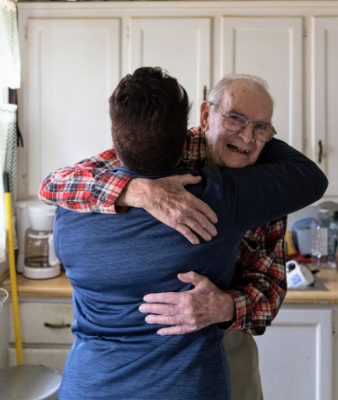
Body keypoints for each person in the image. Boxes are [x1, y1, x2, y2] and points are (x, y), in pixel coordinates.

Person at [45, 67, 327, 400]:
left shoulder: (269, 184)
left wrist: (225, 306)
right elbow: (57, 182)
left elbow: (271, 289)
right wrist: (139, 190)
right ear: (206, 115)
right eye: (235, 118)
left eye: (261, 127)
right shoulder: (168, 147)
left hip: (224, 345)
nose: (248, 138)